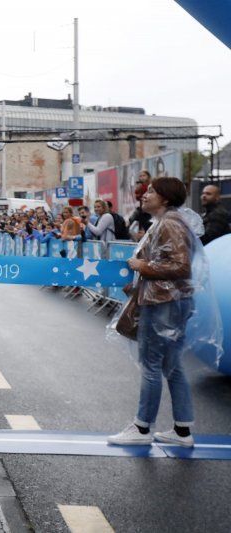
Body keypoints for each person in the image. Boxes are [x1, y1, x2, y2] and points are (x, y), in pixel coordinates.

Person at [108, 177, 196, 448]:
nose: (144, 196)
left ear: (166, 199)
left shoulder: (169, 223)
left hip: (162, 304)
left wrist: (142, 267)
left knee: (151, 365)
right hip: (169, 301)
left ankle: (142, 427)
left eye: (151, 192)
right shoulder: (168, 222)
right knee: (172, 366)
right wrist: (138, 282)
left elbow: (181, 266)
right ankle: (182, 431)